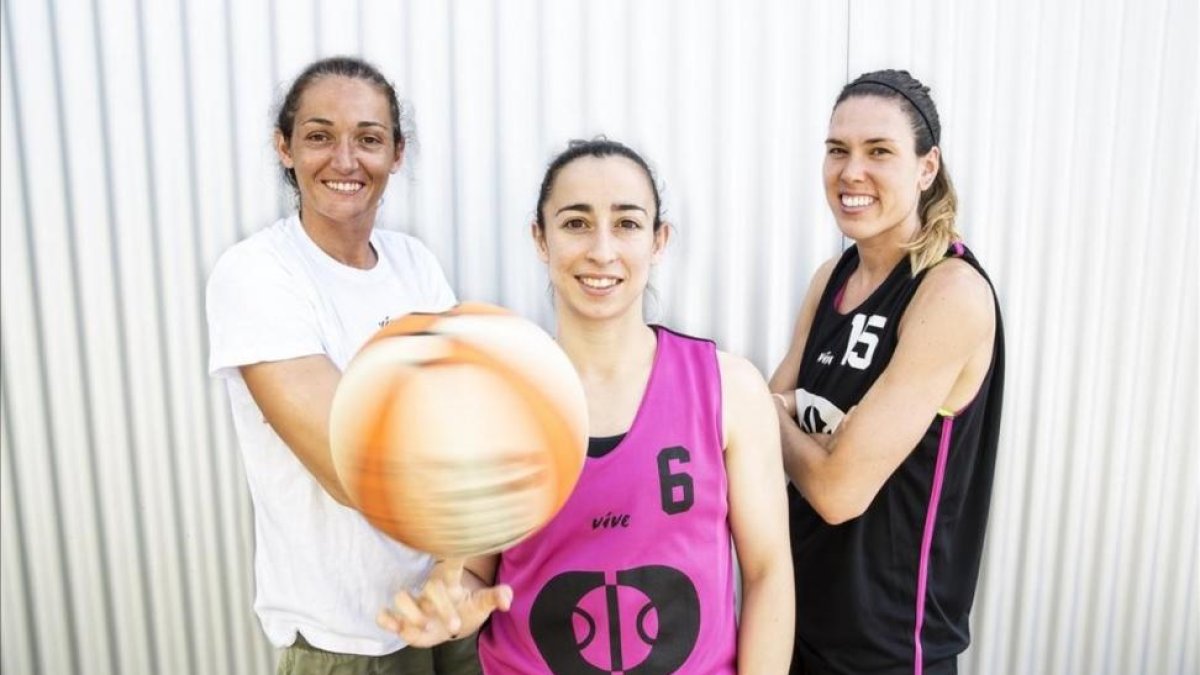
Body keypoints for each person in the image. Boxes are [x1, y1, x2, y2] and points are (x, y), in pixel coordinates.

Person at [377, 139, 795, 673]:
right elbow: (475, 572)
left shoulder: (727, 387)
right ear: (541, 238)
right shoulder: (498, 399)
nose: (602, 250)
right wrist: (449, 607)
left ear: (658, 240)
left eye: (626, 224)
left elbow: (767, 573)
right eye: (575, 223)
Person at [206, 56, 481, 674]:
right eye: (320, 135)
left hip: (447, 598)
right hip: (347, 636)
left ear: (397, 153)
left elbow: (469, 417)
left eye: (369, 138)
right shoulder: (258, 275)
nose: (346, 160)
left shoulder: (414, 265)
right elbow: (350, 465)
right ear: (285, 147)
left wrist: (457, 566)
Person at [770, 70, 1005, 675]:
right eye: (837, 150)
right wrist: (807, 436)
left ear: (927, 168)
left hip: (890, 652)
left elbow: (836, 491)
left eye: (879, 152)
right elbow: (768, 413)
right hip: (800, 625)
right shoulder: (832, 279)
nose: (852, 172)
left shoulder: (948, 294)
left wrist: (788, 426)